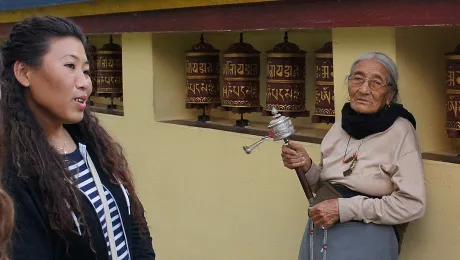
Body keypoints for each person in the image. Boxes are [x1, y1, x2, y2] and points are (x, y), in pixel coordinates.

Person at [0, 16, 156, 259]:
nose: (85, 83)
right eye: (70, 66)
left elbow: (134, 224)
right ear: (24, 73)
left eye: (86, 71)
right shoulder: (14, 170)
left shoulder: (92, 144)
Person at [281, 52, 426, 260]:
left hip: (367, 239)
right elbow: (330, 184)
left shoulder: (400, 131)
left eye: (376, 82)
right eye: (357, 78)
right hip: (321, 235)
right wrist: (307, 167)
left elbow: (412, 205)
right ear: (348, 84)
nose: (364, 89)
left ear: (390, 95)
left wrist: (344, 209)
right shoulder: (341, 123)